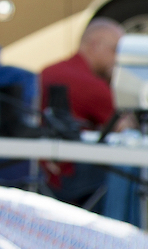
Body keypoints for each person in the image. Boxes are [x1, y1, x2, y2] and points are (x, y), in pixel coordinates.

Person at [37, 18, 132, 207]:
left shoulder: (49, 70)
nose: (119, 59)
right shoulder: (91, 84)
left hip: (42, 173)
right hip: (70, 177)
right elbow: (126, 128)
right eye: (115, 50)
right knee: (130, 169)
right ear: (95, 45)